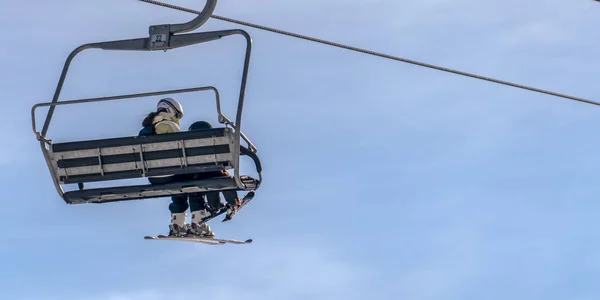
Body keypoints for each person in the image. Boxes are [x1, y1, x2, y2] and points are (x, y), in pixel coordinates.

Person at [138, 97, 214, 237]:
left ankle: (177, 225)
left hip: (154, 177)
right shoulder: (168, 125)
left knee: (178, 185)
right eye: (178, 115)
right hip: (170, 172)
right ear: (172, 111)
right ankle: (198, 222)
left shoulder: (145, 131)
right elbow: (180, 150)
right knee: (193, 178)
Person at [187, 121, 243, 224]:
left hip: (198, 177)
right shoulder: (215, 144)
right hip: (216, 174)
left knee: (208, 180)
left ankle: (214, 205)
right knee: (222, 178)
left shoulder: (187, 148)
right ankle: (233, 202)